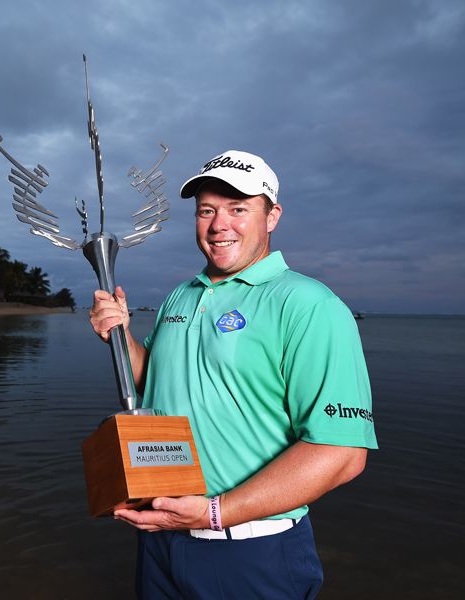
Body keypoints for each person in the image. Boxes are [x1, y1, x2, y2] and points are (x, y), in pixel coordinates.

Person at [89, 150, 378, 599]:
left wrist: (213, 513)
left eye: (238, 208)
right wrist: (122, 337)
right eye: (207, 210)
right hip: (160, 541)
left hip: (252, 552)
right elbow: (156, 384)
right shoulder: (180, 297)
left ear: (272, 216)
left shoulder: (308, 305)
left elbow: (342, 453)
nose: (219, 224)